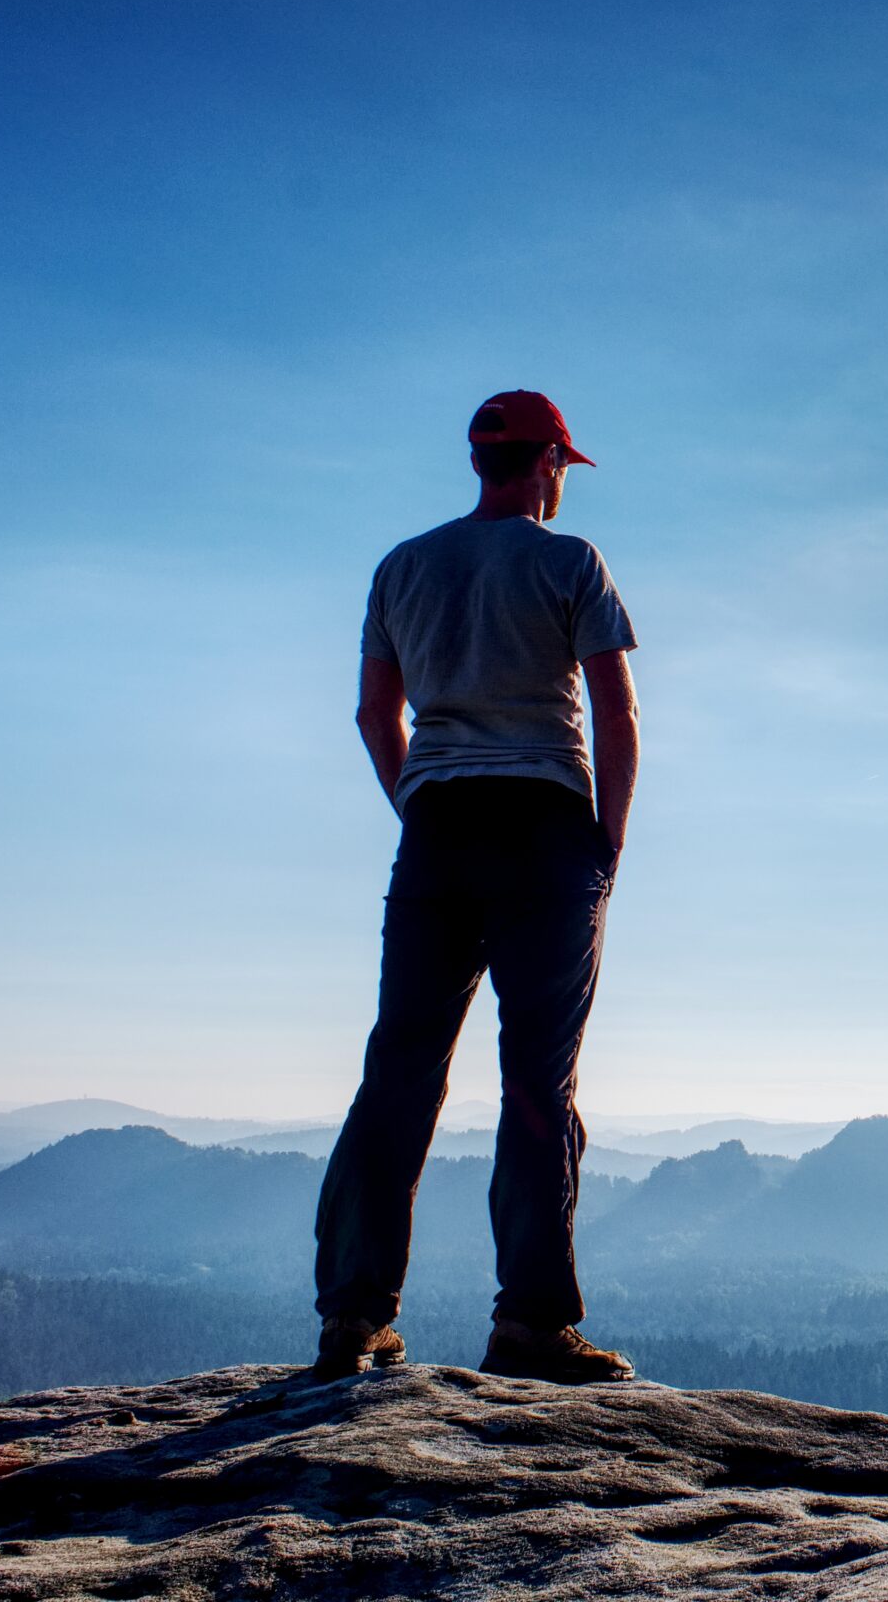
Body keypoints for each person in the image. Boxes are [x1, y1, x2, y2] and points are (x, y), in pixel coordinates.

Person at [310, 390, 640, 1384]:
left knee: (400, 1067)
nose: (559, 485)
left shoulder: (402, 566)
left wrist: (419, 804)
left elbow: (376, 715)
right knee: (537, 1080)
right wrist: (606, 850)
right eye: (561, 469)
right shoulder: (567, 561)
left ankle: (354, 1316)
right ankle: (532, 1324)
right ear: (545, 463)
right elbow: (616, 714)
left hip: (439, 827)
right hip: (545, 828)